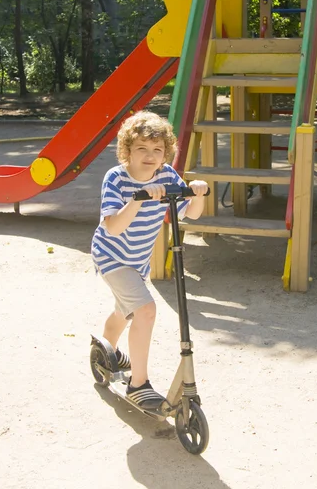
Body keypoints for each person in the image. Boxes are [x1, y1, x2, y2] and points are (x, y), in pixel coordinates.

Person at [91, 110, 208, 410]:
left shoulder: (168, 175)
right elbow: (114, 227)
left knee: (128, 310)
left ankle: (106, 348)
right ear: (127, 151)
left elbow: (191, 214)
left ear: (165, 153)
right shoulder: (116, 178)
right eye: (142, 148)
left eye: (157, 150)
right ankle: (138, 384)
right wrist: (138, 197)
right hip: (112, 255)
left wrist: (197, 193)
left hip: (138, 260)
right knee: (145, 310)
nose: (150, 155)